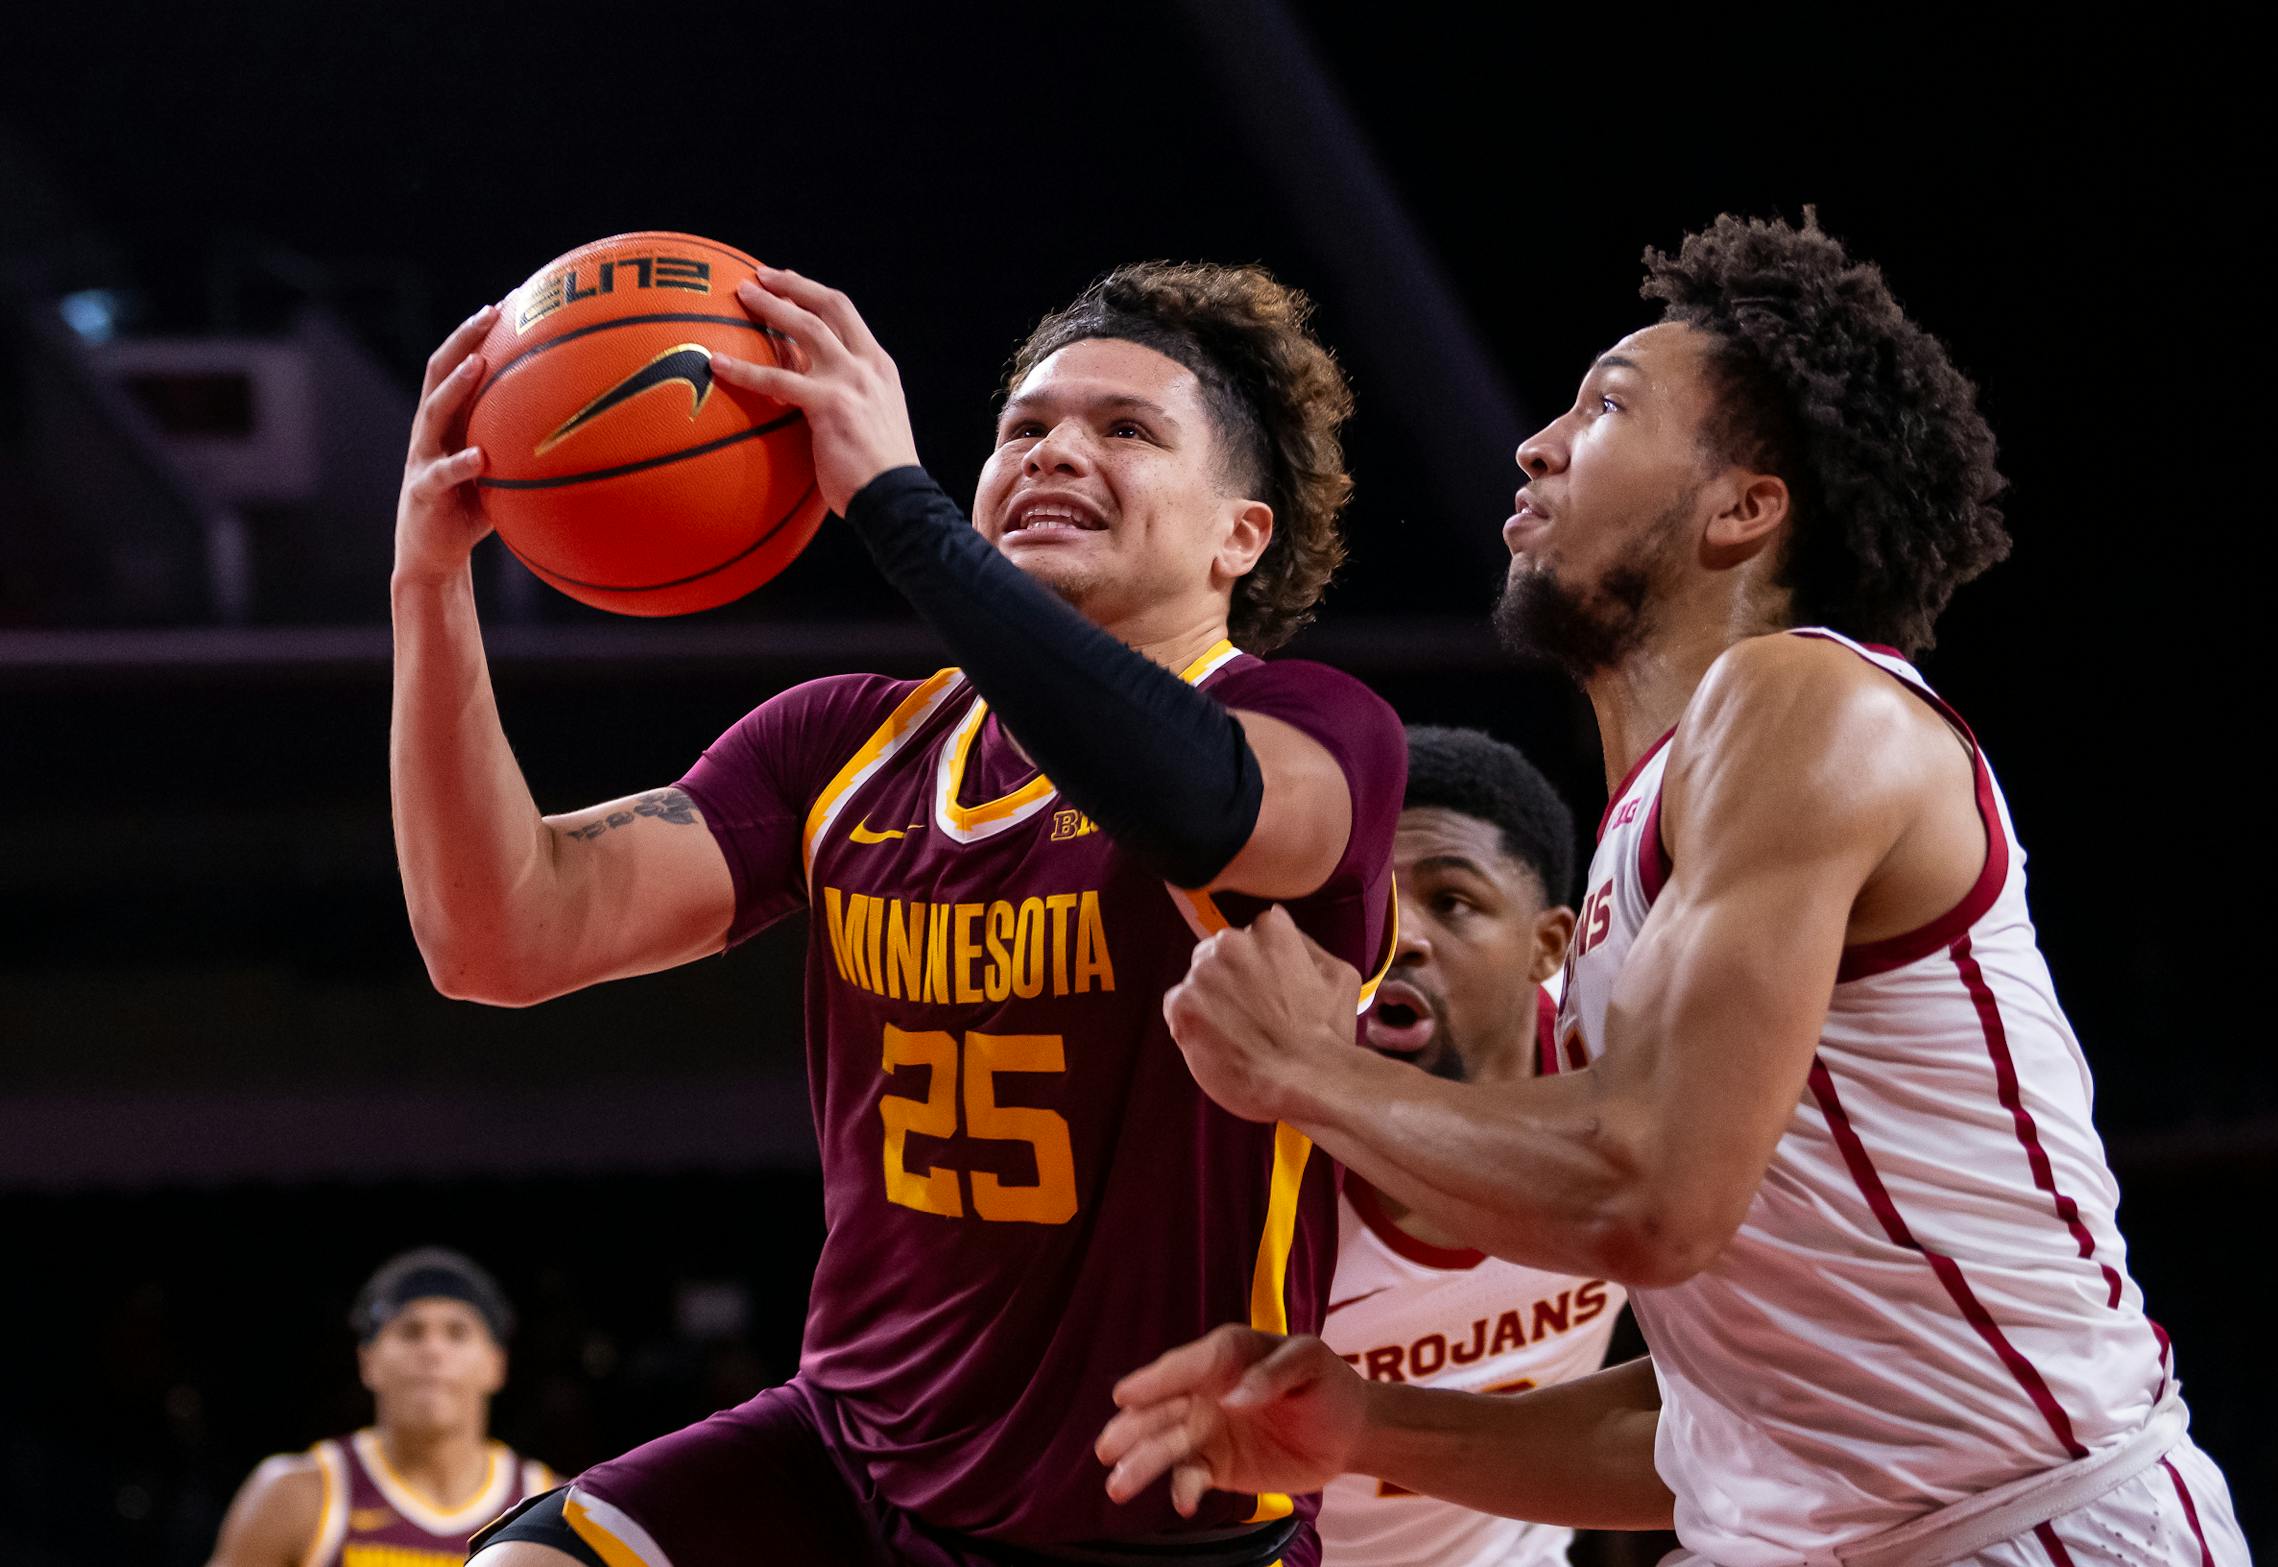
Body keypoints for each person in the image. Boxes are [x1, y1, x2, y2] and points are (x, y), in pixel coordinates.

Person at [1098, 212, 2249, 1567]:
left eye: (1608, 405)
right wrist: (1366, 1426)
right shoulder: (1650, 843)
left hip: (2032, 1528)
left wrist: (1307, 1066)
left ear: (1745, 504)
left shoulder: (1805, 693)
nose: (1537, 443)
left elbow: (1650, 1199)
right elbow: (1722, 1418)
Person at [391, 259, 1403, 1567]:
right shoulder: (843, 744)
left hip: (1149, 1510)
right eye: (1025, 429)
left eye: (1126, 429)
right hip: (844, 1449)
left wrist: (894, 504)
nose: (1054, 453)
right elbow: (501, 936)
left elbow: (1194, 803)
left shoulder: (1317, 730)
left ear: (1239, 536)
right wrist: (428, 584)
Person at [1325, 725, 1626, 1567]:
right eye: (1371, 902)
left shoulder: (1627, 1066)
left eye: (1451, 900)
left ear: (1549, 945)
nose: (1399, 938)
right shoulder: (1252, 1149)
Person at [206, 1248, 557, 1567]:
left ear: (496, 1364)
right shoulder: (297, 1495)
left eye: (457, 1332)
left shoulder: (550, 1507)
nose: (433, 1350)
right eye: (411, 1331)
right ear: (367, 1361)